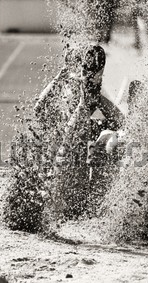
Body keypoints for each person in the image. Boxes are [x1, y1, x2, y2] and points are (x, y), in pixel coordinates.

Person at [35, 45, 124, 218]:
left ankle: (93, 199)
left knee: (104, 137)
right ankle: (94, 201)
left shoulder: (78, 104)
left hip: (66, 190)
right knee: (104, 137)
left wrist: (61, 76)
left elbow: (39, 108)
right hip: (71, 192)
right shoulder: (71, 108)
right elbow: (39, 109)